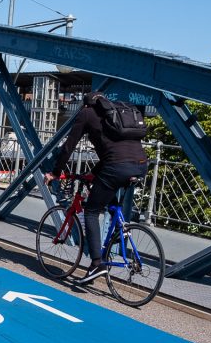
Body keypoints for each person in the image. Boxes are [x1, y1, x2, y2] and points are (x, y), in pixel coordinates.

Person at [44, 92, 149, 284]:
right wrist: (94, 172)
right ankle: (122, 230)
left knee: (91, 211)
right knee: (109, 197)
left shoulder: (87, 113)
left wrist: (55, 172)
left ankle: (96, 264)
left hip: (116, 167)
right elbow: (113, 150)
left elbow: (69, 146)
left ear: (86, 105)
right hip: (141, 164)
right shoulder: (117, 112)